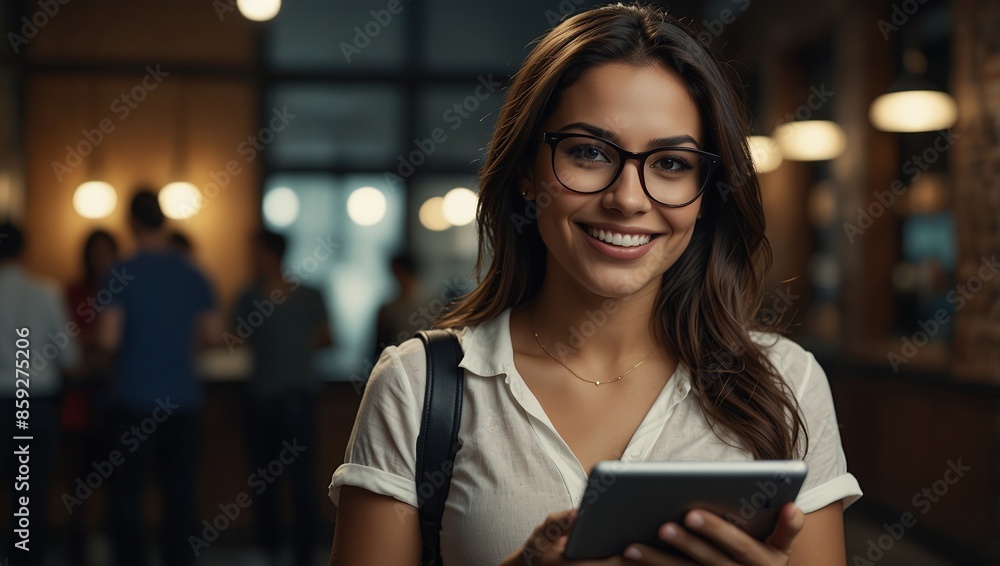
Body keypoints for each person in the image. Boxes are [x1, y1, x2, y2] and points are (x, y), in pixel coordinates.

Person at [328, 5, 862, 566]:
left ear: (707, 195)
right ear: (529, 173)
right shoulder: (418, 389)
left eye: (672, 164)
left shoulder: (786, 385)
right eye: (588, 152)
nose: (628, 199)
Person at [98, 190, 221, 566]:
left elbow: (108, 339)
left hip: (133, 399)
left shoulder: (121, 272)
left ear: (131, 222)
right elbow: (214, 335)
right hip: (183, 400)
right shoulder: (193, 272)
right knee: (180, 497)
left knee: (128, 496)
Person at [231, 229, 332, 565]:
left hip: (283, 395)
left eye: (254, 251)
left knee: (290, 480)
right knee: (275, 480)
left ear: (269, 253)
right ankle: (282, 550)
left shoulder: (293, 294)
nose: (251, 258)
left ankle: (285, 550)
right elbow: (325, 338)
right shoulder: (256, 295)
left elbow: (234, 340)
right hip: (278, 395)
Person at [0, 222, 79, 566]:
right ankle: (26, 559)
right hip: (34, 401)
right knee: (30, 494)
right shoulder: (45, 292)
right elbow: (70, 356)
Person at [62, 229, 119, 560]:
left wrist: (98, 341)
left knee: (118, 482)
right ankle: (79, 548)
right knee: (80, 481)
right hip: (81, 402)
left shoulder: (124, 290)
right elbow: (66, 338)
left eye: (106, 252)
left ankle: (111, 544)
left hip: (117, 399)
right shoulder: (73, 291)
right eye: (95, 253)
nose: (101, 260)